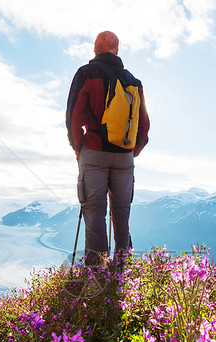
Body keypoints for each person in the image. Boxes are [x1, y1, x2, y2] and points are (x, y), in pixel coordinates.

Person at [65, 31, 150, 264]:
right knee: (122, 215)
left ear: (95, 49)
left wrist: (78, 147)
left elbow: (74, 116)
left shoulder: (85, 73)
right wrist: (134, 150)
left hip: (94, 153)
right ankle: (123, 270)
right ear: (117, 51)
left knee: (94, 214)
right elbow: (144, 124)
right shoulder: (134, 82)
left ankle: (97, 275)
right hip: (124, 157)